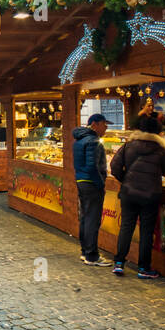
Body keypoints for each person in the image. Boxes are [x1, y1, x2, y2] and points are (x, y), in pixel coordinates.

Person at [109, 114, 165, 279]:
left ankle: (118, 263)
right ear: (157, 132)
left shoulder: (129, 146)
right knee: (146, 231)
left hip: (129, 194)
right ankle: (144, 268)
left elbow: (114, 167)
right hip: (150, 195)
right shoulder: (160, 149)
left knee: (126, 227)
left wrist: (126, 181)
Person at [72, 113, 112, 267]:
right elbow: (92, 166)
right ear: (94, 124)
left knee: (85, 217)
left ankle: (85, 251)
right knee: (92, 220)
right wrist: (100, 183)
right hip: (91, 184)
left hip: (82, 181)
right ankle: (92, 255)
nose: (106, 127)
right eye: (104, 124)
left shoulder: (79, 140)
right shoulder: (93, 141)